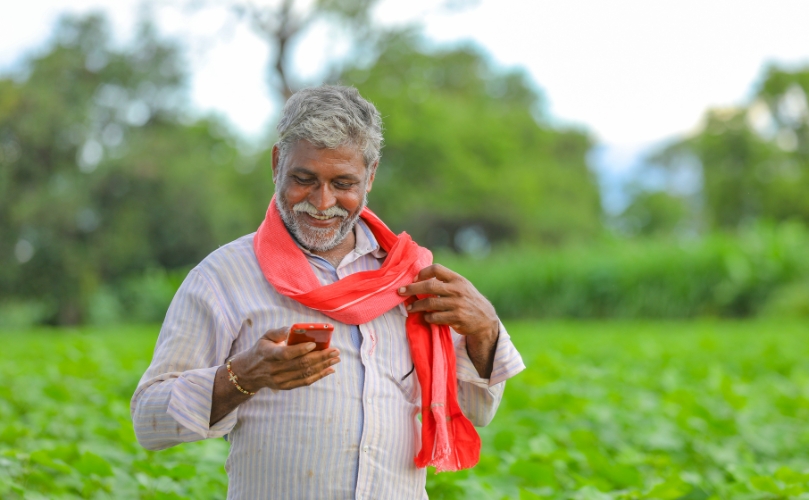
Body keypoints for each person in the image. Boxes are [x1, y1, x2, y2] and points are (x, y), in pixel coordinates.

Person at [131, 85, 525, 499]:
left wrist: (484, 330)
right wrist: (243, 376)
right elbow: (149, 420)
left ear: (370, 176)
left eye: (343, 182)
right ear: (277, 163)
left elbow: (476, 409)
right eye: (304, 179)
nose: (322, 202)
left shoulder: (413, 277)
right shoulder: (223, 277)